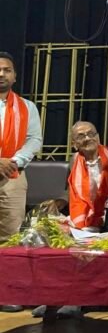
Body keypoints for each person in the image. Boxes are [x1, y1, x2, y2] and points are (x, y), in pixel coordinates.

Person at [33, 121, 108, 319]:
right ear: (74, 143)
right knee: (46, 236)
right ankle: (53, 298)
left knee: (80, 247)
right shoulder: (75, 159)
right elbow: (75, 192)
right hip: (84, 218)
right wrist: (60, 201)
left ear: (98, 136)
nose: (87, 138)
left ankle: (74, 301)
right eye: (81, 136)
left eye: (91, 134)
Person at [0, 51, 42, 313]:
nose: (1, 74)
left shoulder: (28, 107)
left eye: (6, 70)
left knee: (10, 236)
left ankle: (7, 292)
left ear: (14, 76)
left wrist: (12, 162)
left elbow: (34, 140)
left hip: (13, 176)